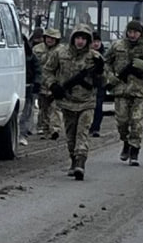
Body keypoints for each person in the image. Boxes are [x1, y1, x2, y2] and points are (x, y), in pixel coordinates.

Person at [43, 24, 103, 180]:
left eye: (84, 38)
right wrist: (53, 85)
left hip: (87, 101)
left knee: (82, 133)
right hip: (67, 101)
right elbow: (47, 70)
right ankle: (73, 160)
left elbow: (105, 80)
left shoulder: (94, 57)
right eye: (78, 38)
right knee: (70, 136)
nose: (80, 41)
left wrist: (100, 71)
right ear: (73, 39)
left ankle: (80, 164)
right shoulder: (60, 53)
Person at [103, 19, 143, 166]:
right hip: (121, 91)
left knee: (136, 122)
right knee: (122, 122)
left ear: (140, 33)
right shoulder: (117, 46)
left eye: (135, 32)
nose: (132, 35)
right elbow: (105, 62)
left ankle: (134, 151)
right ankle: (126, 142)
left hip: (139, 93)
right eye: (130, 32)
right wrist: (110, 76)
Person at [33, 28, 62, 140]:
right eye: (48, 37)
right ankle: (44, 128)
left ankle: (55, 129)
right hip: (42, 83)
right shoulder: (37, 49)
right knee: (43, 108)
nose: (50, 40)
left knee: (56, 108)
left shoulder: (62, 50)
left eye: (53, 38)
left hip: (56, 83)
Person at [20, 22, 39, 146]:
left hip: (28, 86)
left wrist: (37, 83)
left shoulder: (31, 57)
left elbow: (38, 70)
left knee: (26, 112)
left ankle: (22, 134)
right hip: (15, 86)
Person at [88, 32, 108, 137]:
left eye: (98, 41)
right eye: (93, 42)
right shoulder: (86, 55)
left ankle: (96, 128)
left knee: (98, 106)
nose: (96, 44)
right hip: (87, 85)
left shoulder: (104, 55)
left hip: (100, 85)